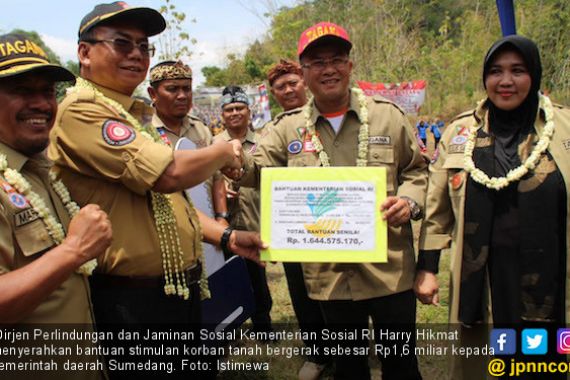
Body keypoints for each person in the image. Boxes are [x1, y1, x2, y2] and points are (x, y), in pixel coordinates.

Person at [47, 2, 264, 378]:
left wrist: (226, 236)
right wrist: (226, 149)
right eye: (121, 43)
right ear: (84, 52)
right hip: (133, 303)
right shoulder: (82, 110)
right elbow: (168, 174)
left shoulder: (130, 114)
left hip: (180, 290)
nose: (136, 53)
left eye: (143, 46)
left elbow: (169, 204)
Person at [240, 21, 426, 380]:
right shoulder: (286, 129)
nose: (329, 69)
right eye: (318, 62)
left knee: (402, 366)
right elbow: (254, 172)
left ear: (350, 66)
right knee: (349, 367)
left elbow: (417, 171)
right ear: (304, 72)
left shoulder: (388, 116)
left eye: (337, 59)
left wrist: (409, 202)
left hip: (390, 270)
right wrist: (232, 158)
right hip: (329, 277)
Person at [415, 35, 570, 380]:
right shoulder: (460, 132)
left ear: (535, 74)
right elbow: (436, 209)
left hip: (550, 273)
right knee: (488, 362)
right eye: (496, 71)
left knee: (543, 362)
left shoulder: (563, 128)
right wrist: (426, 270)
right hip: (484, 276)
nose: (505, 81)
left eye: (518, 70)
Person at [0, 33, 112, 380]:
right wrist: (75, 249)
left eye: (47, 91)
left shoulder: (43, 172)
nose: (40, 104)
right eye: (22, 90)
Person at [264, 59, 331, 379]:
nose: (288, 89)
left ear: (304, 81)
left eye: (293, 82)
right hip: (291, 225)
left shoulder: (332, 116)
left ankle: (349, 348)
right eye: (280, 86)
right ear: (273, 93)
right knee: (301, 292)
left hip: (333, 221)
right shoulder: (274, 130)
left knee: (340, 289)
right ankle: (317, 354)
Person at [213, 85, 274, 333]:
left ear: (249, 112)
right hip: (223, 225)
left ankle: (263, 327)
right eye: (229, 109)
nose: (235, 113)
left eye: (240, 108)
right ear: (222, 114)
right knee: (227, 280)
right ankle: (231, 331)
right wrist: (218, 192)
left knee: (258, 280)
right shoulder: (213, 144)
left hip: (255, 221)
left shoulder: (264, 142)